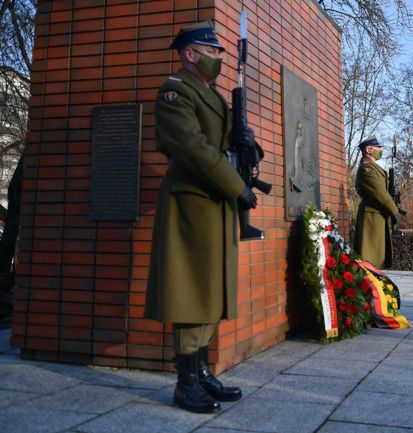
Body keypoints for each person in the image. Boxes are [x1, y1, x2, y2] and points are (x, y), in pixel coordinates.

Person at [145, 21, 259, 414]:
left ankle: (203, 371)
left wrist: (249, 146)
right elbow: (192, 148)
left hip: (215, 202)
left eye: (221, 54)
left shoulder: (211, 95)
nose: (219, 59)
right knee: (193, 290)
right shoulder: (175, 91)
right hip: (193, 202)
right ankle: (186, 381)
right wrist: (236, 187)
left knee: (213, 289)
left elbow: (223, 141)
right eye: (211, 53)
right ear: (190, 54)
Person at [353, 135, 400, 269]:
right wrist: (394, 211)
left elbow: (383, 191)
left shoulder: (373, 167)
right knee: (370, 261)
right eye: (377, 148)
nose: (380, 150)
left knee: (376, 261)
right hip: (371, 218)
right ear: (369, 150)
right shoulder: (366, 168)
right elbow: (379, 193)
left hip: (377, 216)